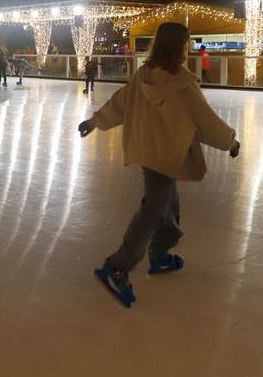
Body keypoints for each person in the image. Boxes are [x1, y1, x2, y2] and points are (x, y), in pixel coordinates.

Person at [77, 22, 240, 308]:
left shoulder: (144, 75)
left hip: (148, 150)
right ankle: (118, 266)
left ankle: (161, 254)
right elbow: (206, 120)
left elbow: (120, 103)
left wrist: (95, 121)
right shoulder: (182, 84)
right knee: (153, 208)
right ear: (180, 46)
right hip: (166, 154)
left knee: (167, 203)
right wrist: (231, 142)